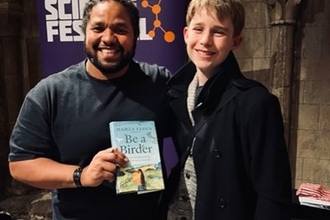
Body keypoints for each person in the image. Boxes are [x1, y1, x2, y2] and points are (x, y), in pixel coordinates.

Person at [8, 0, 174, 219]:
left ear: (135, 34)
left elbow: (197, 135)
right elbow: (21, 164)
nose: (107, 38)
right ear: (85, 32)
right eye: (98, 28)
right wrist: (81, 175)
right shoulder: (50, 93)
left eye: (120, 29)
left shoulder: (159, 82)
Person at [166, 0, 292, 219]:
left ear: (236, 41)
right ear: (186, 34)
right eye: (198, 29)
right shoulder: (174, 94)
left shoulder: (256, 102)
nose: (205, 41)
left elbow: (272, 194)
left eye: (218, 32)